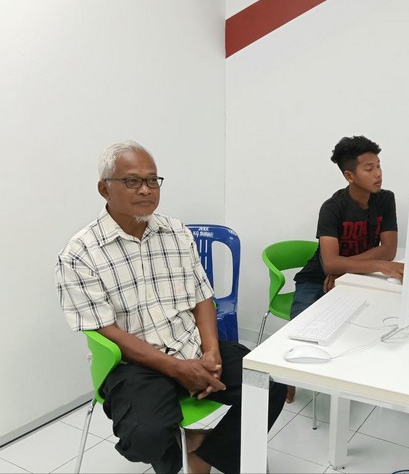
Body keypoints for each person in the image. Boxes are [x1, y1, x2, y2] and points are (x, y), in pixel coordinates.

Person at [55, 141, 286, 474]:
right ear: (104, 189)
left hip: (190, 345)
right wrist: (177, 369)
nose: (146, 189)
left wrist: (211, 352)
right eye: (132, 181)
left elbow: (202, 297)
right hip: (135, 364)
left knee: (271, 384)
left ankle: (205, 454)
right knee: (144, 437)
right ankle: (187, 444)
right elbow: (106, 330)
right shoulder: (80, 254)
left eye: (153, 180)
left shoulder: (177, 232)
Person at [287, 135, 404, 401]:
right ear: (349, 176)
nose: (378, 174)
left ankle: (347, 381)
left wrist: (346, 268)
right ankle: (288, 380)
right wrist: (377, 264)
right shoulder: (332, 207)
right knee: (301, 328)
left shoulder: (385, 200)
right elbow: (329, 262)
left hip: (356, 278)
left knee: (360, 329)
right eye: (369, 168)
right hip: (318, 278)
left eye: (378, 166)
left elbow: (389, 249)